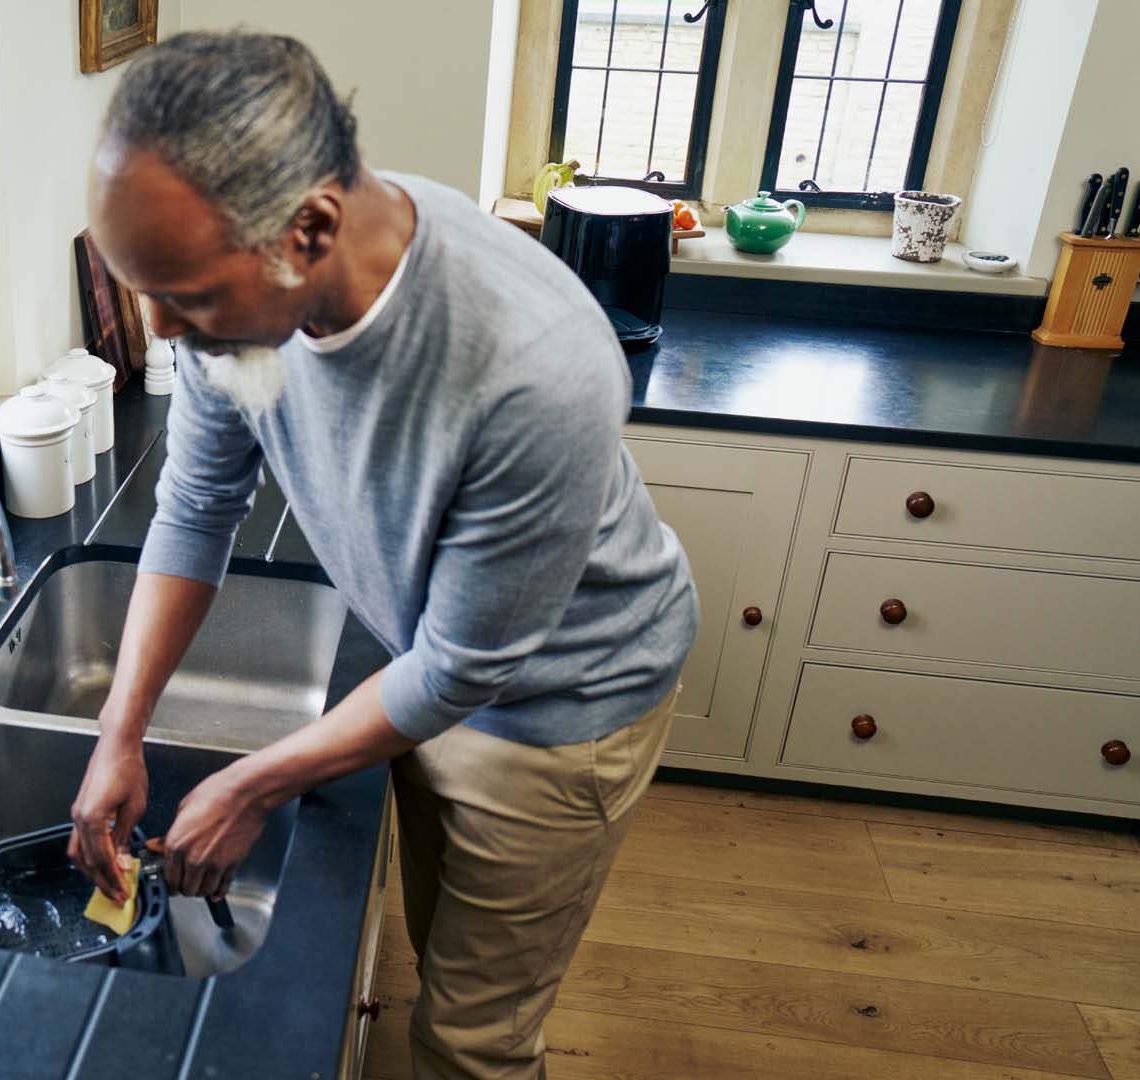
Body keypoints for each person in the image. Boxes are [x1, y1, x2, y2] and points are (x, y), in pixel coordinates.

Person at [65, 30, 698, 1080]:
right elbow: (195, 505)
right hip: (426, 660)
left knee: (471, 1041)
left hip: (558, 708)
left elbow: (468, 669)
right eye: (147, 293)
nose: (167, 329)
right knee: (432, 947)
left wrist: (251, 784)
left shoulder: (533, 368)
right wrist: (118, 730)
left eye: (190, 297)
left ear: (310, 227)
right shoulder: (246, 280)